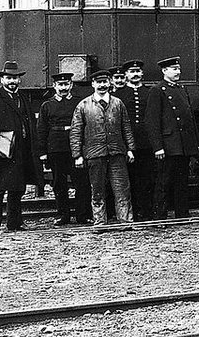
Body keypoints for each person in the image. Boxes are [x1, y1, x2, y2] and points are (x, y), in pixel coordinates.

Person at [0, 61, 44, 232]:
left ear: (19, 80)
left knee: (17, 189)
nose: (12, 81)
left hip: (21, 150)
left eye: (15, 78)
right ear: (2, 80)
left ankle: (14, 223)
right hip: (2, 151)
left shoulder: (23, 99)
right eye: (8, 78)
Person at [70, 68, 136, 225]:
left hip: (117, 152)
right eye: (98, 82)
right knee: (97, 190)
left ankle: (125, 221)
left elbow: (126, 127)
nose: (102, 85)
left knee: (122, 189)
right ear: (93, 84)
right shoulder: (83, 105)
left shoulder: (118, 104)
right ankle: (100, 222)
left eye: (105, 82)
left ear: (110, 83)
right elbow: (76, 131)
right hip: (94, 153)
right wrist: (77, 155)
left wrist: (131, 149)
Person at [144, 56, 199, 219]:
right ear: (164, 71)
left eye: (179, 69)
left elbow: (190, 119)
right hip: (168, 146)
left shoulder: (181, 89)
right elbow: (152, 121)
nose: (178, 72)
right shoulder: (157, 90)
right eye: (174, 69)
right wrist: (158, 147)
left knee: (182, 182)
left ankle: (182, 215)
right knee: (163, 183)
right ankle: (160, 217)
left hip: (182, 145)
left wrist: (195, 143)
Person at [35, 72, 90, 225]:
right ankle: (63, 215)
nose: (63, 88)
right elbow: (41, 130)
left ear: (71, 85)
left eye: (66, 84)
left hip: (76, 148)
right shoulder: (47, 105)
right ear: (55, 86)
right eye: (60, 85)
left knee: (81, 182)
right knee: (59, 184)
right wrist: (42, 152)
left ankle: (82, 215)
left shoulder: (80, 103)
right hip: (56, 148)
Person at [115, 59, 154, 221]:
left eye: (138, 71)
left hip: (147, 142)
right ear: (126, 75)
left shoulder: (150, 92)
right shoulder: (119, 94)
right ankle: (133, 212)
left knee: (148, 177)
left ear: (142, 74)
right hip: (127, 143)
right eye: (132, 72)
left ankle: (147, 212)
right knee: (129, 178)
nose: (135, 74)